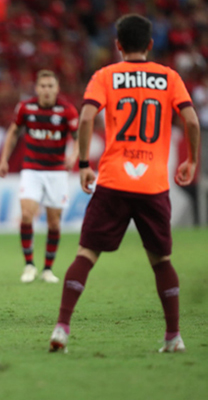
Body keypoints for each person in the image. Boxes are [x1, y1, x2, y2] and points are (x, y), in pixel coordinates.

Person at [49, 14, 200, 353]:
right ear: (150, 44)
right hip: (153, 184)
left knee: (86, 253)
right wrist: (191, 160)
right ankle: (173, 337)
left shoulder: (106, 75)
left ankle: (61, 328)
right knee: (161, 261)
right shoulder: (169, 77)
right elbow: (190, 119)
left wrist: (85, 162)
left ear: (117, 45)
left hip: (114, 178)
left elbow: (87, 116)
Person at [0, 70, 79, 284]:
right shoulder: (26, 108)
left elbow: (79, 137)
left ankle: (48, 269)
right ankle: (29, 265)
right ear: (37, 88)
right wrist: (4, 159)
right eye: (43, 86)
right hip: (32, 170)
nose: (46, 90)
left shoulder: (67, 111)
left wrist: (74, 155)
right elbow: (13, 132)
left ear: (57, 88)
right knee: (26, 215)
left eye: (50, 86)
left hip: (57, 172)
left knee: (54, 223)